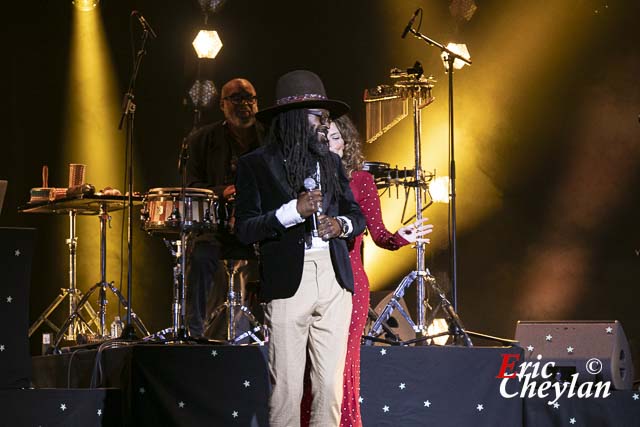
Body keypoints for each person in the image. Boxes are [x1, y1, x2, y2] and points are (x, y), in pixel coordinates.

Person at [234, 70, 366, 427]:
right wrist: (293, 211)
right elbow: (244, 229)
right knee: (287, 388)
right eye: (317, 116)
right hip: (289, 282)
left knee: (329, 387)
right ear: (293, 119)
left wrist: (342, 226)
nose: (325, 124)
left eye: (326, 117)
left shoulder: (331, 162)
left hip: (335, 280)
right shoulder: (255, 165)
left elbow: (357, 215)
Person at [301, 115, 433, 426]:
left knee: (342, 364)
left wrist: (402, 238)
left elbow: (380, 235)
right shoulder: (304, 178)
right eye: (323, 137)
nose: (330, 143)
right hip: (311, 278)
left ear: (345, 142)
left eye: (335, 137)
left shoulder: (361, 180)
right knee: (309, 363)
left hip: (349, 281)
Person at [184, 78, 262, 338]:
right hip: (216, 226)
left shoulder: (269, 136)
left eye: (249, 98)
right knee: (199, 256)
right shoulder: (201, 139)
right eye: (237, 98)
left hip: (258, 225)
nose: (245, 104)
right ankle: (195, 331)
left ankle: (270, 329)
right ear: (222, 104)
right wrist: (222, 191)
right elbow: (190, 184)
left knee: (280, 254)